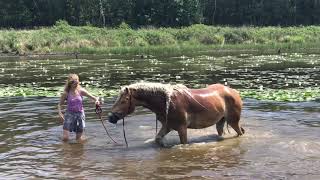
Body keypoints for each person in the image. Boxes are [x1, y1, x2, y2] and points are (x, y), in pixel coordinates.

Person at [58, 74, 100, 142]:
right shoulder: (66, 93)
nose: (75, 85)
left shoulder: (81, 91)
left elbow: (94, 98)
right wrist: (60, 113)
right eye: (74, 83)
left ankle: (78, 150)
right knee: (65, 138)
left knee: (79, 139)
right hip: (69, 114)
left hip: (80, 115)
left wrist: (97, 101)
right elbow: (59, 104)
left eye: (77, 83)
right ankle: (65, 150)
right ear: (70, 84)